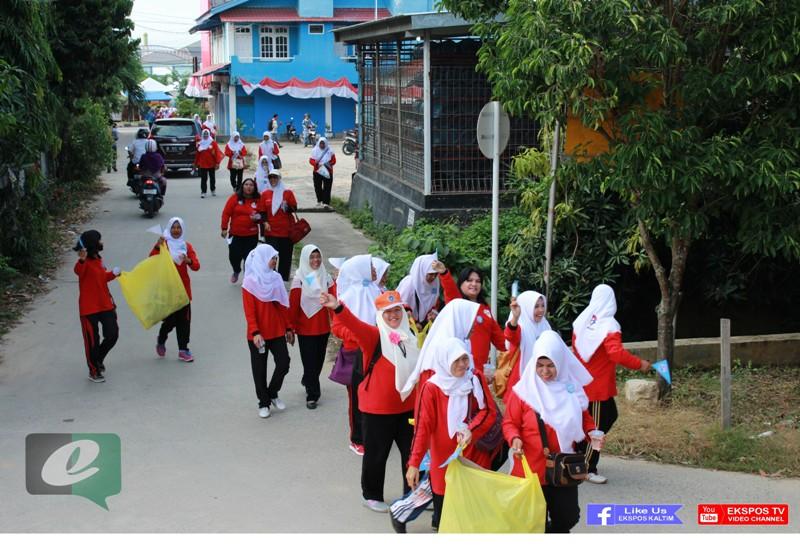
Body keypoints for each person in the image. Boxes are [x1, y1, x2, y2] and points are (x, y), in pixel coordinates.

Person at [320, 289, 419, 514]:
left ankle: (413, 494)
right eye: (388, 312)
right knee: (376, 454)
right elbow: (352, 324)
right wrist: (337, 307)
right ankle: (372, 495)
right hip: (378, 410)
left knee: (412, 454)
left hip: (408, 407)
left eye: (397, 310)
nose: (393, 315)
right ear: (380, 314)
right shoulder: (373, 336)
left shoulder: (410, 335)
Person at [503, 330, 598, 533]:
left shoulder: (571, 387)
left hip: (563, 466)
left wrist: (592, 433)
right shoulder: (523, 391)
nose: (545, 371)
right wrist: (515, 438)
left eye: (550, 365)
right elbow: (509, 422)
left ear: (560, 363)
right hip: (530, 467)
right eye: (540, 365)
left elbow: (584, 417)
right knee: (532, 519)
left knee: (568, 517)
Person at [406, 337, 497, 532]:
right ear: (445, 360)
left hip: (473, 456)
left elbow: (489, 411)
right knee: (446, 512)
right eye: (456, 360)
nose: (463, 365)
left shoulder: (474, 378)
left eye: (465, 358)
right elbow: (423, 428)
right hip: (444, 461)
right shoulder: (432, 387)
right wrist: (414, 463)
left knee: (474, 513)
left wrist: (471, 429)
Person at [571, 284, 652, 484]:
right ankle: (587, 466)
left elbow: (575, 348)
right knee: (597, 426)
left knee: (604, 417)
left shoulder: (583, 320)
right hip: (597, 388)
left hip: (582, 384)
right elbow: (615, 353)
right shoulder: (609, 324)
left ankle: (578, 454)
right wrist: (640, 364)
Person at [329, 255, 381, 456]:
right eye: (370, 267)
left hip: (377, 351)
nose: (374, 270)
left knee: (374, 393)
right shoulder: (347, 296)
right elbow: (337, 327)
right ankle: (357, 438)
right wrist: (360, 336)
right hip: (355, 354)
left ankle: (374, 433)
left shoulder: (376, 290)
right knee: (357, 399)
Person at [242, 244, 295, 418]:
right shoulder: (250, 282)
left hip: (276, 330)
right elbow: (249, 311)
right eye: (272, 258)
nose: (274, 261)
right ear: (263, 259)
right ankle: (263, 403)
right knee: (259, 369)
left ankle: (272, 392)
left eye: (275, 259)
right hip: (258, 334)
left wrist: (288, 328)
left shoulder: (276, 278)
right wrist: (255, 332)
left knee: (284, 363)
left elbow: (282, 305)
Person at [432, 261, 505, 374]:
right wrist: (444, 273)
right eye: (469, 280)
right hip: (460, 368)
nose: (474, 284)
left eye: (478, 281)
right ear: (461, 283)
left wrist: (515, 340)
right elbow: (450, 290)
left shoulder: (484, 308)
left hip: (479, 371)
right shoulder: (458, 303)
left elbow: (500, 339)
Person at [402, 298, 481, 396]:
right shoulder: (439, 354)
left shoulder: (460, 344)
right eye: (471, 320)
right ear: (460, 320)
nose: (474, 325)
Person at [290, 244, 336, 409]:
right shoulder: (300, 279)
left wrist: (336, 322)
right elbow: (294, 305)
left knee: (318, 361)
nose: (315, 260)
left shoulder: (326, 277)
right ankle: (312, 395)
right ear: (305, 259)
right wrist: (290, 328)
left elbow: (334, 299)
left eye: (318, 256)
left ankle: (308, 378)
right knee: (309, 361)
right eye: (312, 257)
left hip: (322, 327)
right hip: (304, 327)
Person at [73, 230, 120, 383]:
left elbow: (102, 278)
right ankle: (94, 370)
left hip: (105, 305)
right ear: (94, 243)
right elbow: (78, 271)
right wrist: (81, 260)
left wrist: (113, 274)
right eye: (100, 240)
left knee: (112, 334)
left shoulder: (98, 259)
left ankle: (98, 359)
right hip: (89, 309)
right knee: (92, 341)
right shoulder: (84, 262)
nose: (102, 243)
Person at [151, 217, 200, 363]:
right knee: (171, 320)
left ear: (183, 229)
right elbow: (151, 259)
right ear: (169, 229)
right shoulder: (163, 244)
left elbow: (196, 266)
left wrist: (188, 261)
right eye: (173, 227)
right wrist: (157, 246)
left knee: (184, 321)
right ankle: (162, 337)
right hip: (168, 289)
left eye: (179, 227)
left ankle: (183, 349)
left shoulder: (186, 246)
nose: (176, 230)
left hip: (183, 290)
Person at [503, 290, 551, 399]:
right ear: (527, 308)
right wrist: (515, 317)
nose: (541, 310)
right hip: (520, 380)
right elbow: (510, 335)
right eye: (536, 306)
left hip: (542, 379)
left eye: (543, 305)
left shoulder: (545, 325)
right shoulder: (521, 325)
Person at [256, 169, 297, 281]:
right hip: (271, 230)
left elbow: (294, 208)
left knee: (285, 256)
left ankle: (283, 278)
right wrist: (265, 222)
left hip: (286, 230)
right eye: (271, 178)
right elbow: (262, 211)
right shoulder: (265, 194)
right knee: (271, 256)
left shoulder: (287, 193)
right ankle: (271, 277)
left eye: (275, 177)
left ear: (279, 179)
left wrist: (287, 206)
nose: (273, 180)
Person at [221, 178, 261, 283]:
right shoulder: (235, 198)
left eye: (251, 185)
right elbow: (226, 213)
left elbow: (263, 215)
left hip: (251, 235)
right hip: (235, 234)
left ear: (254, 187)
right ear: (242, 186)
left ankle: (247, 279)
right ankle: (236, 270)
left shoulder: (258, 200)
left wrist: (258, 218)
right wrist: (224, 228)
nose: (249, 187)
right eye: (246, 184)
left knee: (249, 258)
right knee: (234, 256)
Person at [396, 254, 441, 328]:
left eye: (436, 274)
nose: (433, 277)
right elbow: (399, 304)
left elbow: (435, 301)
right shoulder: (409, 283)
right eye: (430, 274)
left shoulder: (435, 283)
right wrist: (412, 322)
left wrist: (433, 313)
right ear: (422, 271)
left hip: (423, 324)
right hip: (407, 325)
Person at [195, 129, 223, 198]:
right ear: (202, 135)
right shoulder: (200, 143)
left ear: (209, 134)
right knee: (203, 178)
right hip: (203, 164)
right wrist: (195, 163)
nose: (205, 136)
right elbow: (197, 154)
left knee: (212, 178)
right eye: (204, 134)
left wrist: (217, 163)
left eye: (207, 134)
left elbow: (216, 153)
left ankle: (213, 190)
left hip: (212, 164)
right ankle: (203, 192)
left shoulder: (213, 143)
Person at [309, 137, 336, 208]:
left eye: (323, 143)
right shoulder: (314, 150)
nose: (322, 145)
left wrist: (326, 164)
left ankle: (326, 202)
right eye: (320, 143)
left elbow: (334, 161)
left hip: (327, 171)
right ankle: (319, 200)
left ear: (326, 143)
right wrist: (317, 164)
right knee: (317, 186)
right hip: (317, 171)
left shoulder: (330, 151)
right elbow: (311, 160)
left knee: (327, 187)